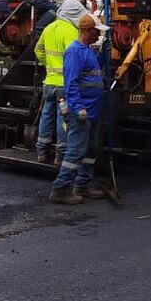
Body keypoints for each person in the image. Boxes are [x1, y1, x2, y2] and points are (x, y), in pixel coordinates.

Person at [49, 14, 106, 204]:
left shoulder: (88, 50)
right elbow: (71, 83)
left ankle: (83, 185)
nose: (99, 35)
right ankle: (61, 189)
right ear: (87, 31)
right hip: (82, 111)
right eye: (97, 32)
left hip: (92, 110)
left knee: (90, 150)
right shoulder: (75, 51)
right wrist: (78, 107)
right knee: (75, 151)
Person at [33, 0, 88, 164]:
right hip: (64, 86)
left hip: (49, 84)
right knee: (62, 119)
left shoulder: (49, 28)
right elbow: (75, 56)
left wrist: (48, 64)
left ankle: (41, 152)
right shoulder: (71, 31)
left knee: (46, 115)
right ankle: (60, 155)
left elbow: (38, 50)